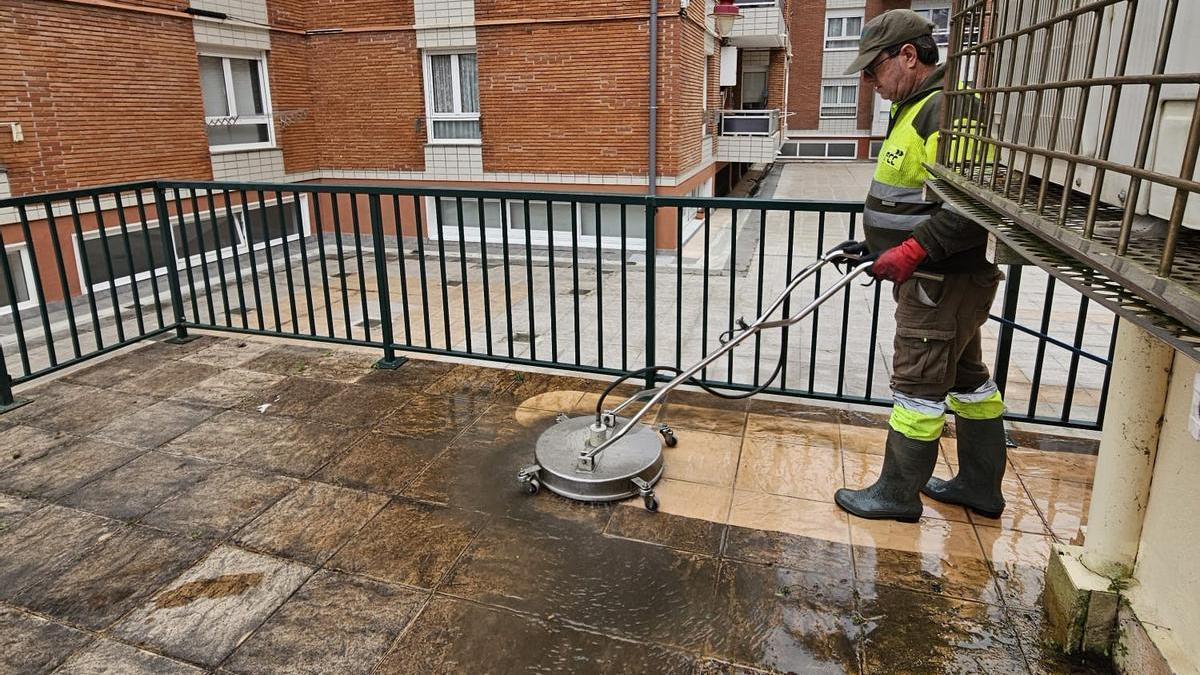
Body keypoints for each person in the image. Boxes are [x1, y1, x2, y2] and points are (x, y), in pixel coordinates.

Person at [832, 9, 1008, 523]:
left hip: (940, 283)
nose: (869, 82)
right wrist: (876, 244)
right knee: (969, 382)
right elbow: (917, 202)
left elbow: (972, 207)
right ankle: (979, 485)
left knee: (917, 389)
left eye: (872, 70)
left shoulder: (948, 111)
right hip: (941, 281)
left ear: (908, 56)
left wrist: (909, 251)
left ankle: (896, 495)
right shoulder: (914, 107)